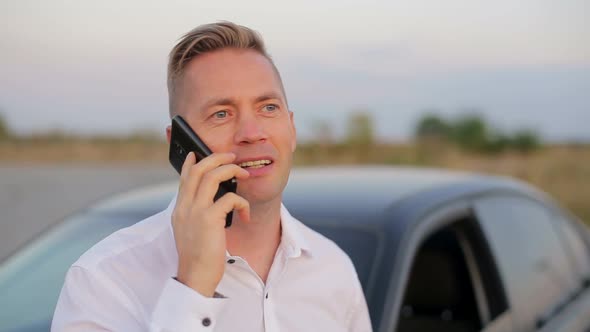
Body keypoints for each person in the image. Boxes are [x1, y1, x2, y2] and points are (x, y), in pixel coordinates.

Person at [51, 21, 372, 331]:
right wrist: (192, 287)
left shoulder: (334, 268)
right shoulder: (103, 280)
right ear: (178, 144)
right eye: (221, 114)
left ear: (292, 129)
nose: (252, 133)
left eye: (268, 107)